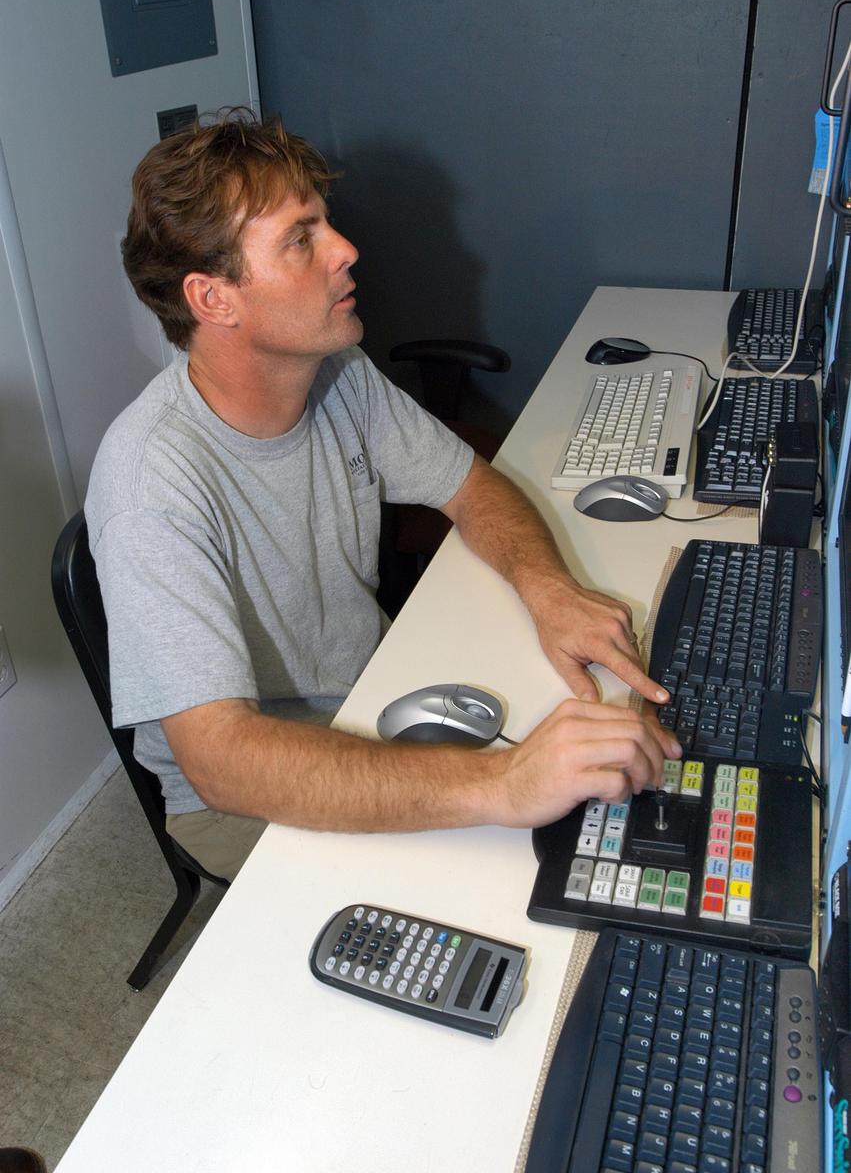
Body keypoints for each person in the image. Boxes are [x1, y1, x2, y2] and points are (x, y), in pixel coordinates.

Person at [85, 111, 678, 882]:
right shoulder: (150, 486)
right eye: (301, 239)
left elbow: (470, 487)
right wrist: (503, 782)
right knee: (519, 875)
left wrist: (547, 588)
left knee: (592, 807)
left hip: (375, 689)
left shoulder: (334, 369)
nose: (344, 250)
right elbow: (221, 764)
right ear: (214, 299)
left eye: (324, 223)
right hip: (244, 795)